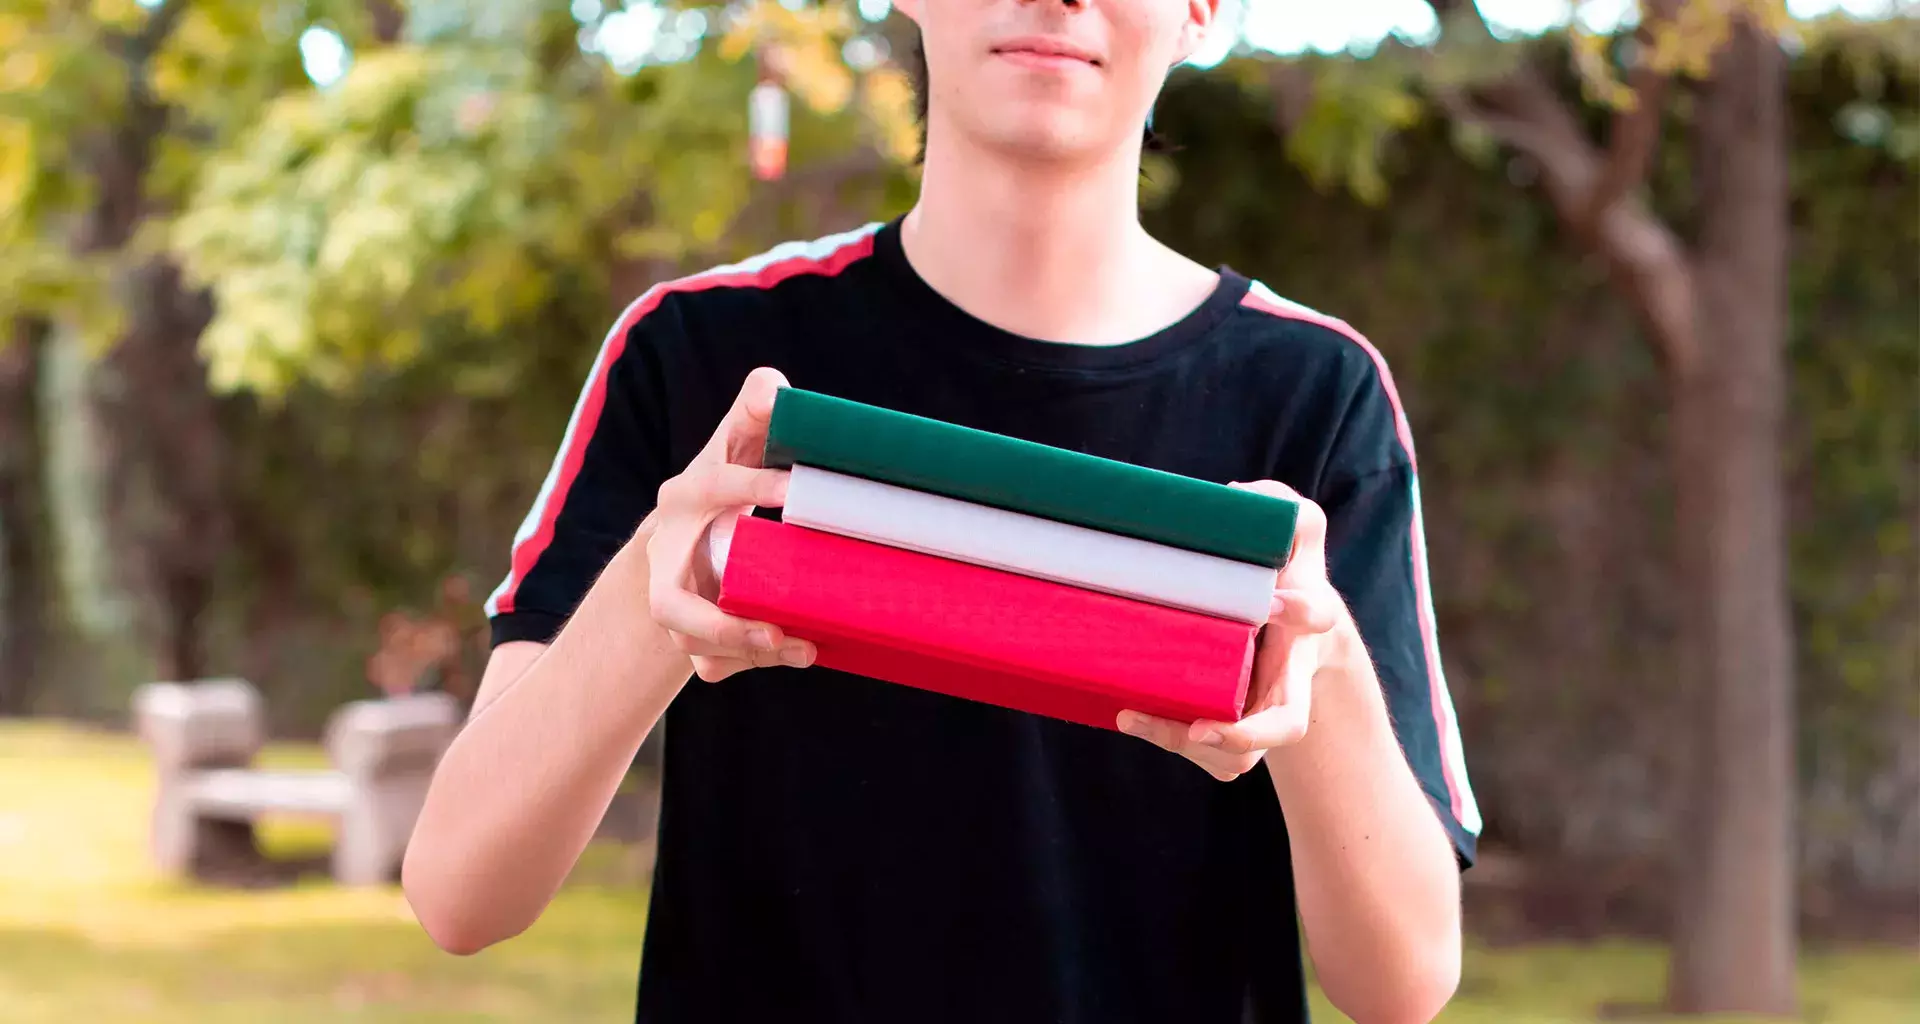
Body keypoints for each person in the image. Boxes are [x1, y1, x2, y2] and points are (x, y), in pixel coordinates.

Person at [401, 0, 1480, 1020]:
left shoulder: (1317, 394)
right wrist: (654, 591)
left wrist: (1321, 663)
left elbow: (1404, 984)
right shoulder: (692, 356)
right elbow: (461, 892)